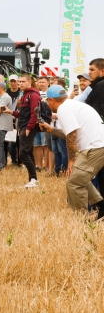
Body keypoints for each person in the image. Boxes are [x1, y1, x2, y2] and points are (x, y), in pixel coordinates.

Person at [39, 85, 104, 218]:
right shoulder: (72, 105)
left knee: (74, 182)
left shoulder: (63, 108)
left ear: (51, 100)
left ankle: (82, 218)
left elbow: (72, 135)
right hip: (97, 145)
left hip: (95, 147)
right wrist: (51, 130)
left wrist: (71, 160)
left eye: (47, 102)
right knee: (79, 178)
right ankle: (101, 207)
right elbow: (70, 133)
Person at [8, 73, 42, 188]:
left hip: (28, 128)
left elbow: (34, 114)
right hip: (23, 126)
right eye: (19, 81)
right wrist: (11, 112)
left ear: (29, 82)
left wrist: (28, 128)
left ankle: (33, 179)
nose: (20, 83)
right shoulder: (25, 94)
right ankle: (33, 179)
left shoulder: (33, 95)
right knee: (28, 153)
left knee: (22, 153)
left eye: (23, 81)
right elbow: (22, 114)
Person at [34, 76, 51, 171]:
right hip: (36, 122)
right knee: (37, 145)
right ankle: (39, 165)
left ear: (48, 82)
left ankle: (47, 166)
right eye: (39, 82)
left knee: (46, 145)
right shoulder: (36, 93)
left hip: (46, 122)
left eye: (43, 82)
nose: (40, 84)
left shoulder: (51, 93)